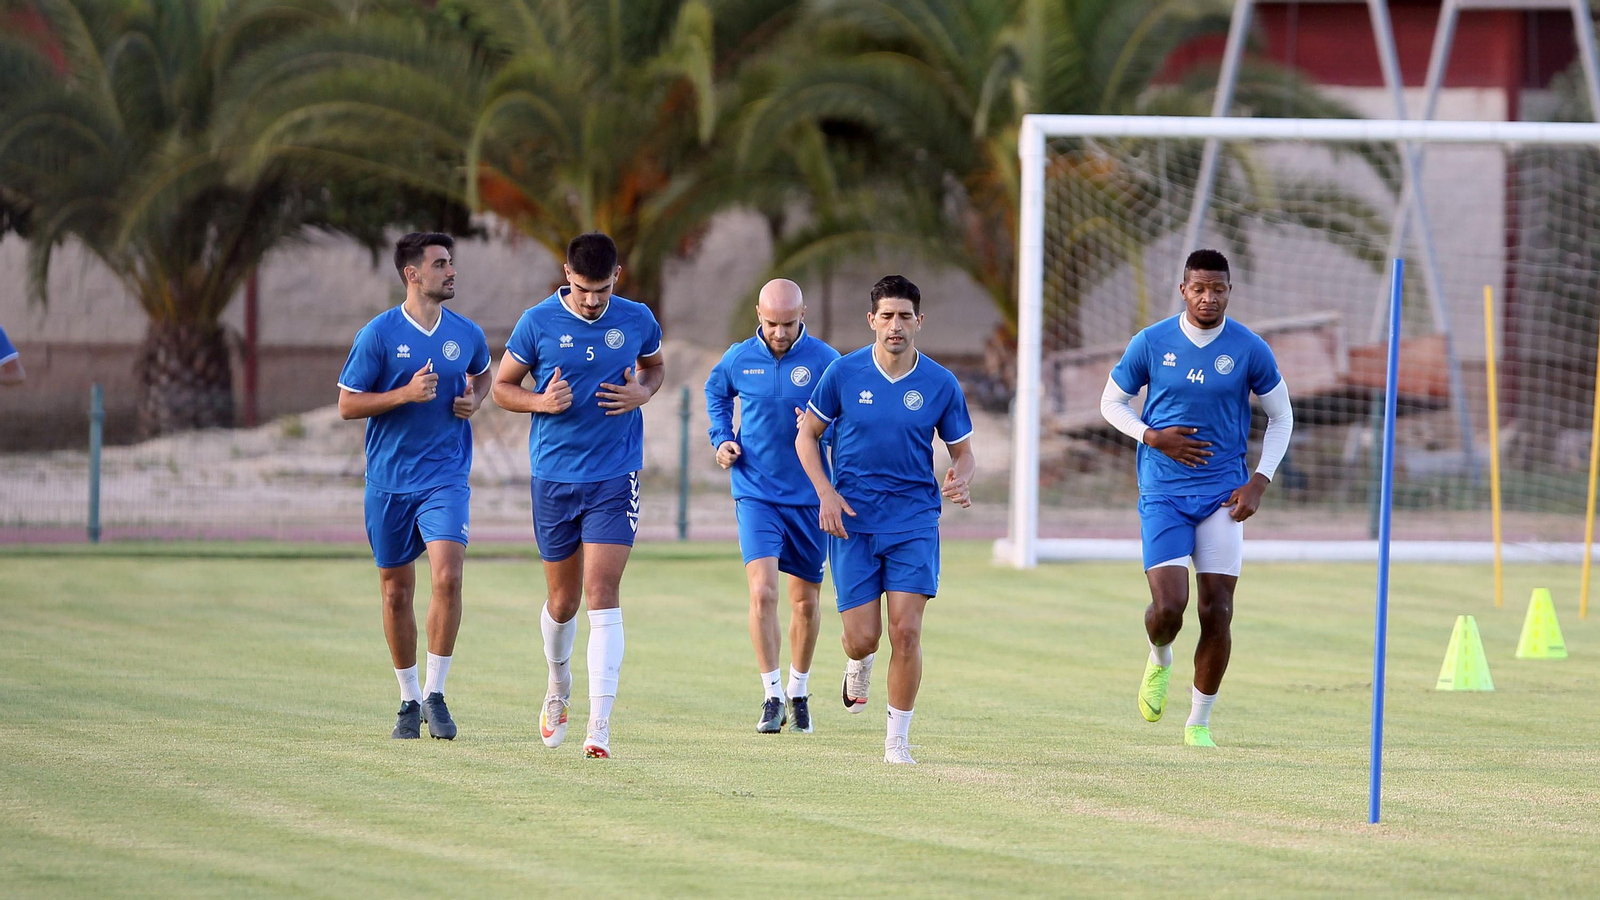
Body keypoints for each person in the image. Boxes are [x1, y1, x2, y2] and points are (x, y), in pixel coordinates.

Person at [1099, 249, 1294, 748]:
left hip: (1223, 495)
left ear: (1230, 290)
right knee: (1170, 606)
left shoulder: (1249, 348)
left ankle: (1198, 722)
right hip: (1163, 491)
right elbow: (1111, 403)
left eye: (1219, 289)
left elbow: (1281, 416)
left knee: (1219, 610)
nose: (1209, 297)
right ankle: (1159, 656)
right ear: (1183, 289)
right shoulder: (1152, 342)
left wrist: (1259, 481)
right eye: (1200, 288)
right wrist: (1151, 436)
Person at [491, 232, 665, 759]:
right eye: (584, 289)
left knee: (600, 594)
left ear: (619, 275)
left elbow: (655, 368)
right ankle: (557, 686)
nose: (593, 301)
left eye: (602, 290)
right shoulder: (537, 322)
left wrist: (643, 392)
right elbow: (501, 388)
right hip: (555, 476)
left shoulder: (637, 318)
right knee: (563, 602)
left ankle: (600, 726)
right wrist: (541, 402)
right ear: (567, 274)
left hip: (616, 475)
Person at [795, 275, 975, 765]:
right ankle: (859, 662)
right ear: (872, 320)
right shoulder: (843, 374)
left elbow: (963, 452)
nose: (896, 325)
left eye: (905, 316)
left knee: (907, 631)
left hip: (914, 521)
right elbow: (806, 437)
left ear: (920, 321)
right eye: (887, 316)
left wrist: (961, 477)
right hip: (852, 521)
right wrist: (826, 494)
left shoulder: (940, 383)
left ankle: (897, 741)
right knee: (863, 637)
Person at [337, 232, 492, 740]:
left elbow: (484, 375)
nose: (451, 272)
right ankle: (407, 699)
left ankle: (436, 693)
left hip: (445, 477)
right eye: (441, 264)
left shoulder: (465, 333)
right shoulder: (378, 335)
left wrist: (474, 401)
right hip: (388, 483)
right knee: (395, 592)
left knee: (448, 577)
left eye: (451, 263)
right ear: (412, 274)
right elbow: (348, 404)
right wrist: (403, 393)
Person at [705, 279, 840, 734]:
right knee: (762, 592)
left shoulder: (826, 362)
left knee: (805, 602)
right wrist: (722, 438)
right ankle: (771, 694)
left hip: (809, 497)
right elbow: (716, 393)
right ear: (758, 318)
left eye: (788, 323)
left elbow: (848, 422)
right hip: (756, 492)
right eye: (771, 324)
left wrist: (822, 428)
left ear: (804, 316)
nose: (780, 332)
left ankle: (799, 691)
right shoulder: (739, 357)